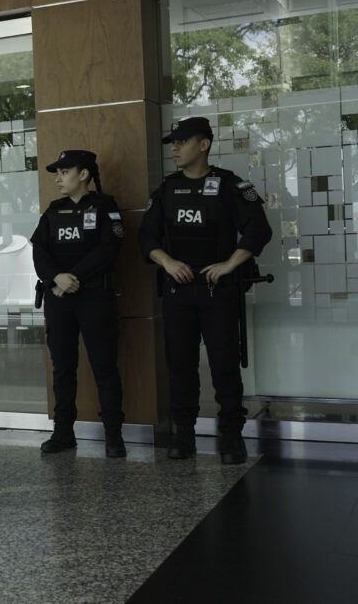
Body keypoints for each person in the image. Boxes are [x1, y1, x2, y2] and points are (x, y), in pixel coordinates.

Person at [139, 117, 272, 464]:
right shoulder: (167, 189)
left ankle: (231, 438)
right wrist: (167, 262)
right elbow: (147, 239)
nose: (175, 148)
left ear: (204, 144)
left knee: (224, 365)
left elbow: (258, 229)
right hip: (178, 292)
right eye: (173, 143)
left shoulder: (231, 185)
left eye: (182, 142)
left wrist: (230, 264)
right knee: (180, 365)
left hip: (219, 291)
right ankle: (183, 437)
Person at [31, 150, 126, 458]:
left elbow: (109, 249)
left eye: (64, 171)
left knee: (104, 366)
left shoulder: (105, 208)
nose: (58, 178)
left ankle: (113, 435)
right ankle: (63, 433)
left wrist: (73, 277)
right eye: (56, 172)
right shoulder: (54, 211)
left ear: (83, 175)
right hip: (59, 299)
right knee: (62, 367)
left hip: (95, 297)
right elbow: (39, 252)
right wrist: (56, 277)